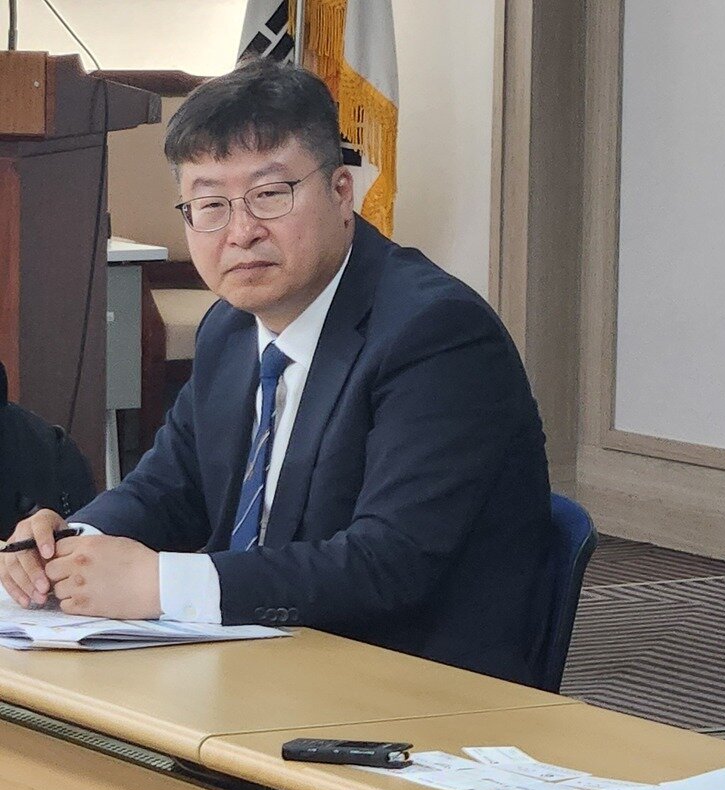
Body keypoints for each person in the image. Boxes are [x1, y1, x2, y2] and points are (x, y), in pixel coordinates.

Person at [0, 59, 552, 685]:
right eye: (209, 205)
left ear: (342, 192)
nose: (240, 232)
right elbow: (168, 488)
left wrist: (157, 582)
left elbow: (387, 564)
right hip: (262, 664)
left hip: (405, 689)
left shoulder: (436, 334)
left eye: (269, 195)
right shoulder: (231, 328)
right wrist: (66, 545)